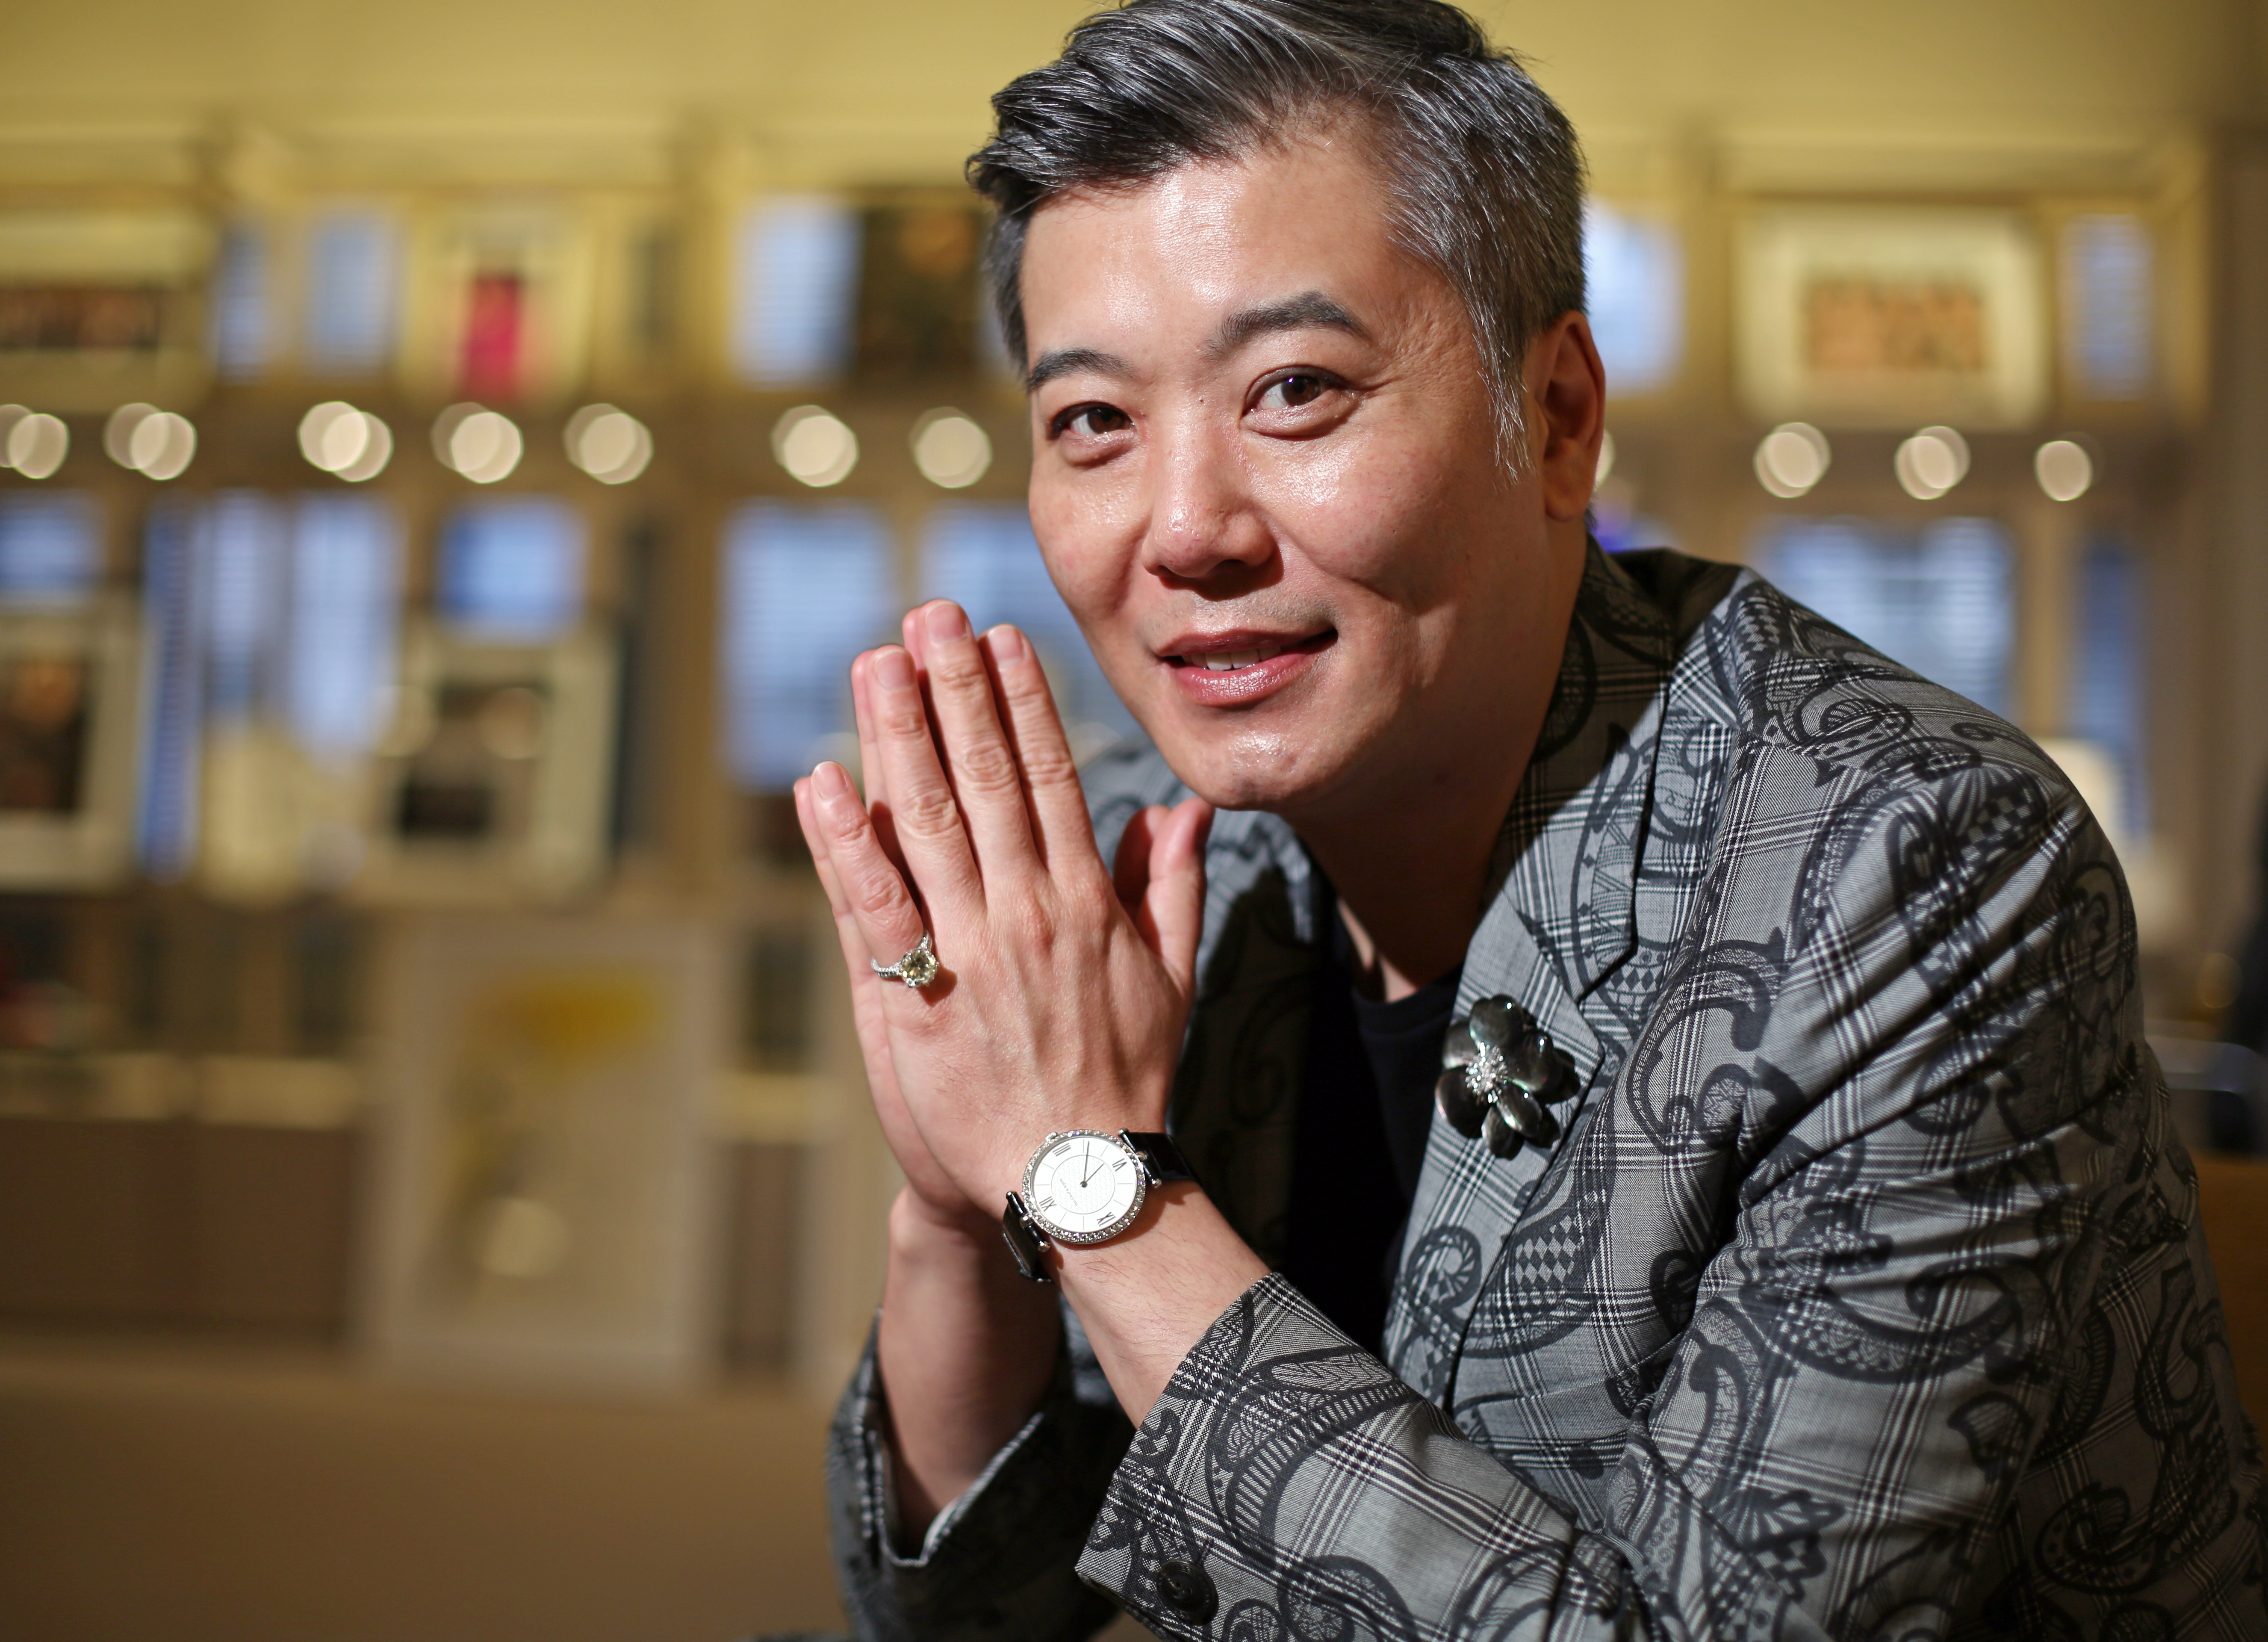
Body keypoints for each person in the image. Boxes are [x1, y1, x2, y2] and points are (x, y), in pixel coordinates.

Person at [785, 3, 2266, 1636]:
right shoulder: (1149, 856)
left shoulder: (1912, 870)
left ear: (1555, 416)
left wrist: (1087, 1181)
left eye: (1293, 388)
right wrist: (956, 1193)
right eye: (1092, 424)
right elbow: (960, 1614)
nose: (1184, 527)